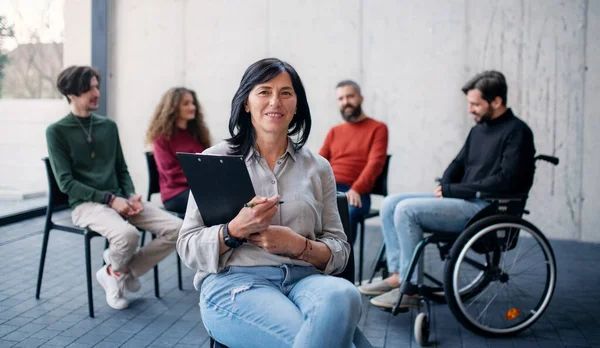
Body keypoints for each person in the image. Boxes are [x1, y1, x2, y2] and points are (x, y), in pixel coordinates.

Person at [177, 58, 362, 348]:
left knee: (345, 295)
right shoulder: (215, 159)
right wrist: (233, 231)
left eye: (286, 93)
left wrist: (299, 246)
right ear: (246, 103)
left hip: (305, 281)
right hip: (236, 285)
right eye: (264, 91)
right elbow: (187, 245)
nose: (275, 101)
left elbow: (339, 249)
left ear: (296, 104)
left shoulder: (319, 167)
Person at [358, 71, 536, 310]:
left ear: (496, 102)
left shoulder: (518, 132)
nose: (470, 109)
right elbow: (458, 163)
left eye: (475, 104)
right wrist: (446, 184)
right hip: (467, 199)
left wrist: (455, 189)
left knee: (407, 211)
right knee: (391, 203)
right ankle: (398, 273)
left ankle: (410, 289)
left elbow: (506, 181)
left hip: (487, 207)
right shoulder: (479, 129)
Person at [46, 66, 182, 310]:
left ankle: (117, 271)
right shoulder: (56, 131)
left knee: (179, 229)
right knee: (128, 235)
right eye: (89, 88)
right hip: (86, 205)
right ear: (72, 94)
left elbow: (121, 169)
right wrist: (110, 200)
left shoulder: (108, 127)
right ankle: (119, 272)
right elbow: (66, 183)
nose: (96, 92)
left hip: (119, 199)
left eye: (97, 86)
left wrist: (130, 195)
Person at [319, 80, 388, 244]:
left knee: (347, 212)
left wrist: (356, 189)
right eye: (341, 99)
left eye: (350, 96)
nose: (346, 102)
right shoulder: (334, 132)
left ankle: (344, 267)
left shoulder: (378, 128)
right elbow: (318, 162)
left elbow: (375, 164)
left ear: (361, 98)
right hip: (330, 188)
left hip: (355, 192)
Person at [146, 87, 212, 214]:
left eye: (193, 103)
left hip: (200, 188)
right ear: (173, 108)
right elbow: (171, 174)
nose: (192, 107)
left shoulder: (196, 134)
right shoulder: (161, 138)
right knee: (215, 202)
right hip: (175, 194)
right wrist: (202, 179)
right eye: (186, 104)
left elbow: (206, 162)